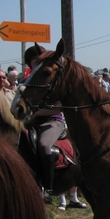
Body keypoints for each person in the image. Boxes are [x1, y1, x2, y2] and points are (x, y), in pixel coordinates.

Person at [23, 46, 67, 204]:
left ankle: (47, 189)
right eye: (36, 62)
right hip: (29, 123)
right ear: (29, 64)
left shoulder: (52, 82)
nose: (39, 64)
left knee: (43, 145)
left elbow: (59, 107)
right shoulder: (25, 83)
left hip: (52, 120)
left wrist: (35, 113)